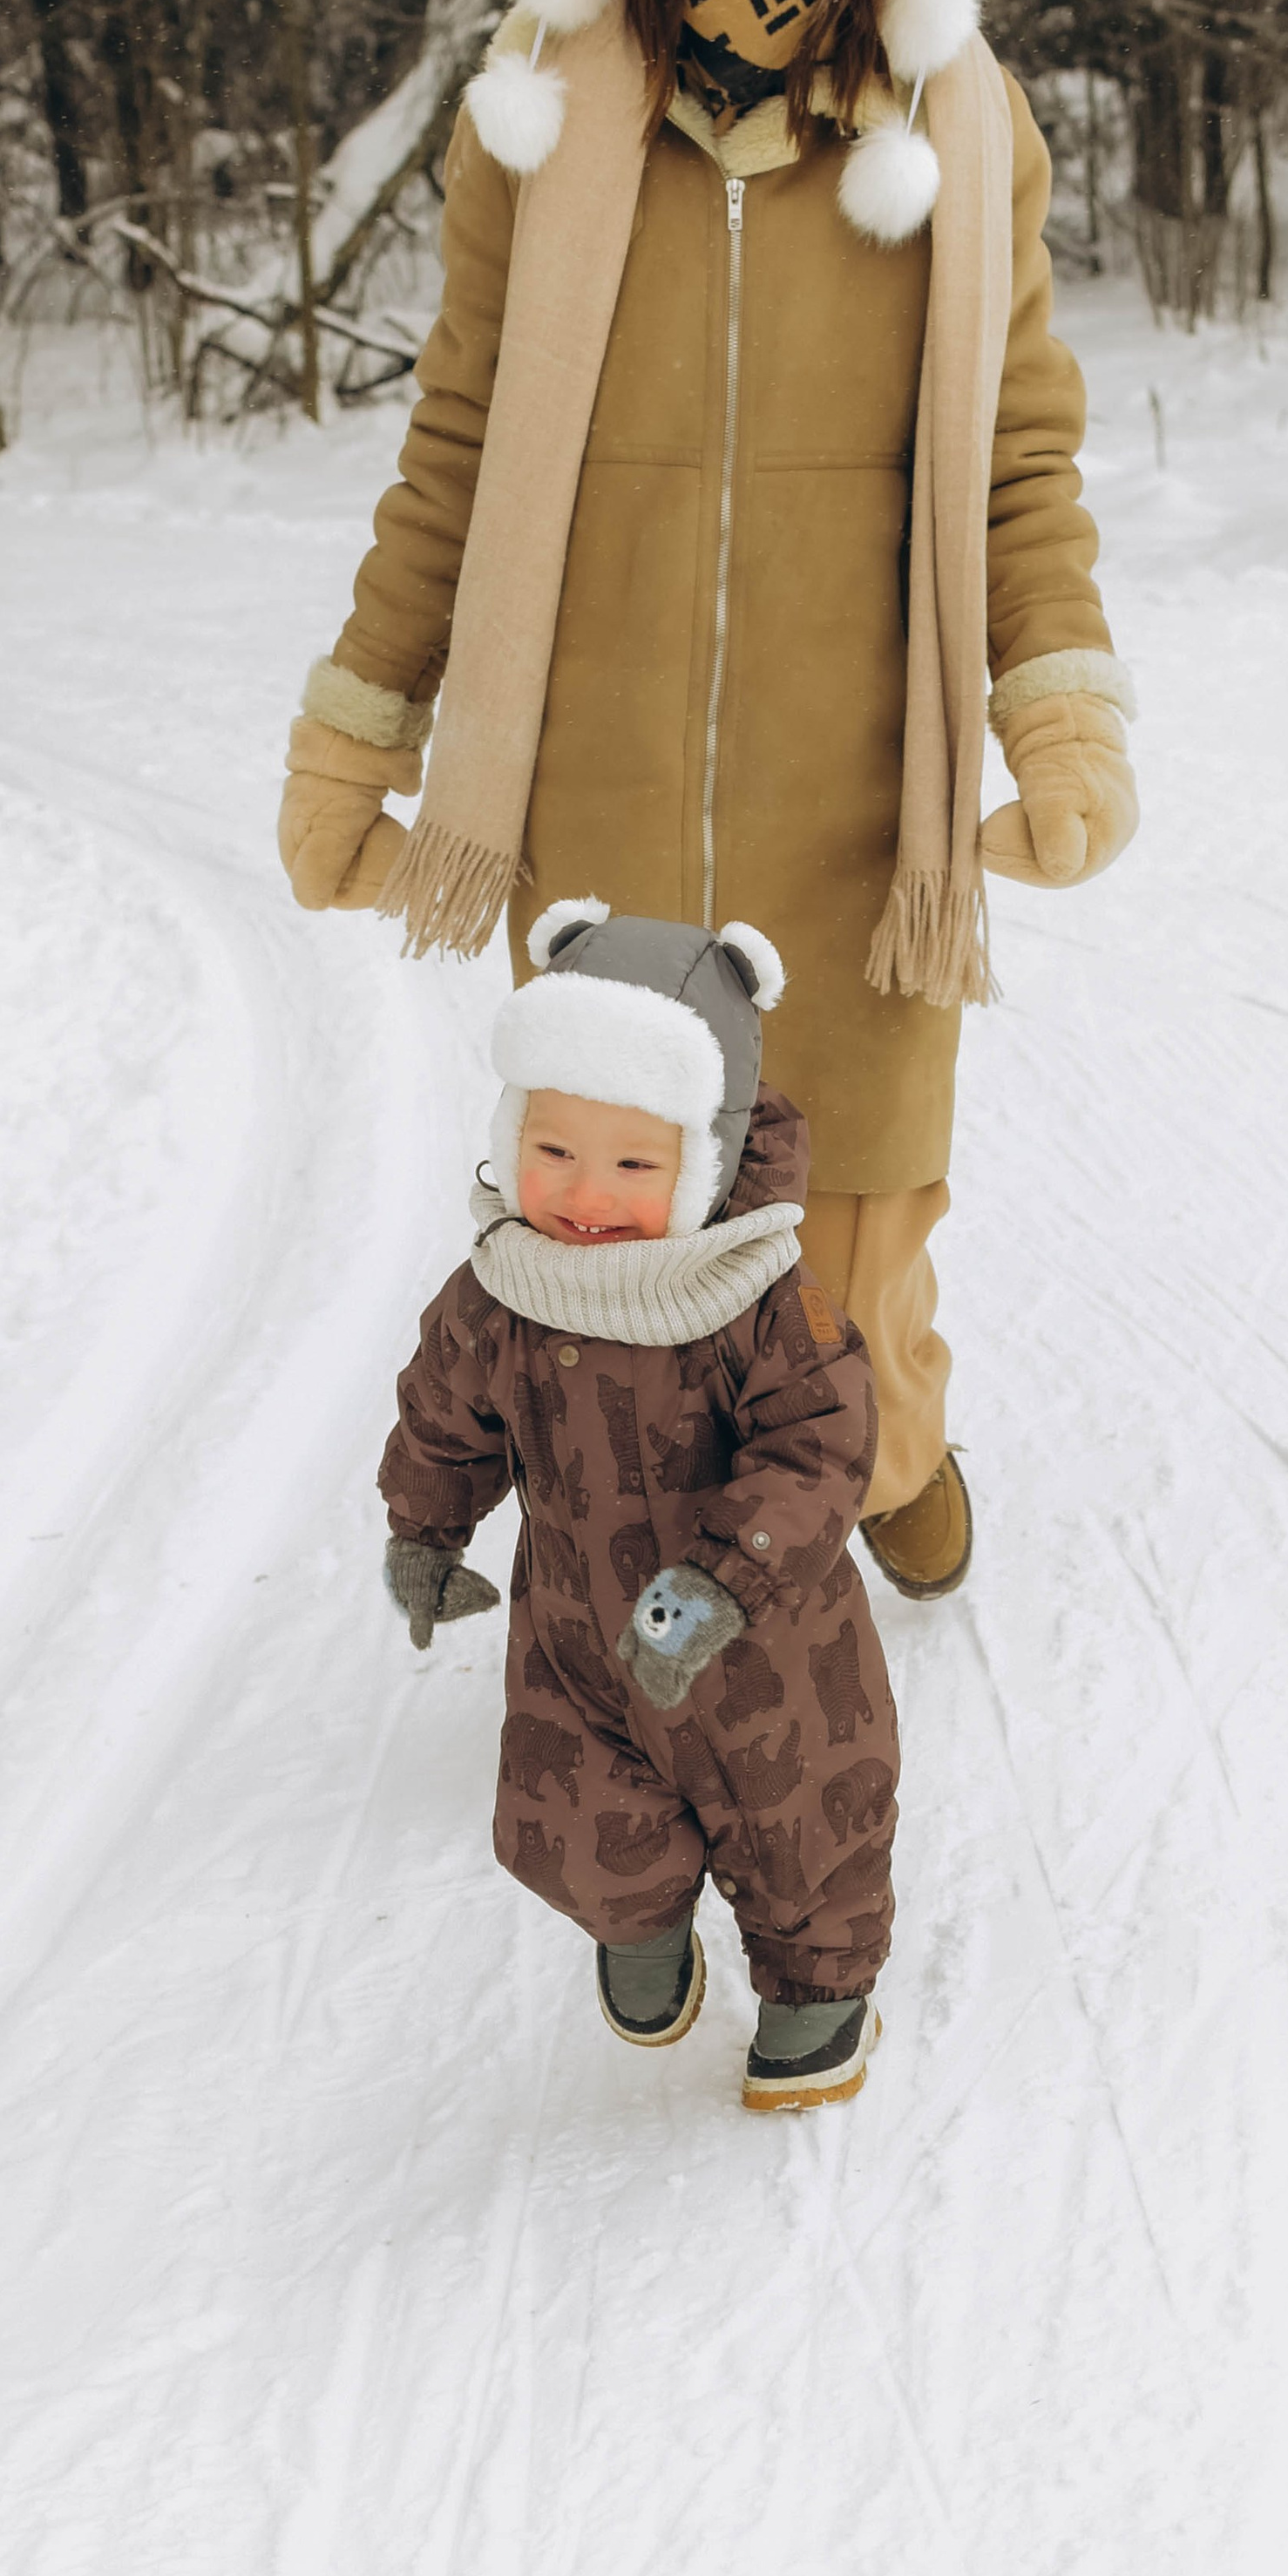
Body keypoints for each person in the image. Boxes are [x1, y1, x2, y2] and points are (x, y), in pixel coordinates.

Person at [282, 0, 1138, 1604]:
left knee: (834, 1260)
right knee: (616, 1213)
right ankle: (664, 1563)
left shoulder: (959, 121)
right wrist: (358, 731)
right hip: (589, 781)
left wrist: (1063, 717)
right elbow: (459, 444)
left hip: (855, 803)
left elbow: (1017, 457)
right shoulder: (545, 106)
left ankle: (884, 1434)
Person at [380, 901, 894, 2114]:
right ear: (512, 1137)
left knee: (805, 1823)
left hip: (768, 1649)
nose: (587, 1196)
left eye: (634, 1163)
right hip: (582, 1637)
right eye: (554, 1152)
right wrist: (426, 1525)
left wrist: (724, 1578)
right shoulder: (504, 1288)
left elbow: (821, 1447)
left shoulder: (760, 1297)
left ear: (704, 1162)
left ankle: (817, 1994)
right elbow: (445, 1413)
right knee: (572, 1815)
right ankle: (641, 1917)